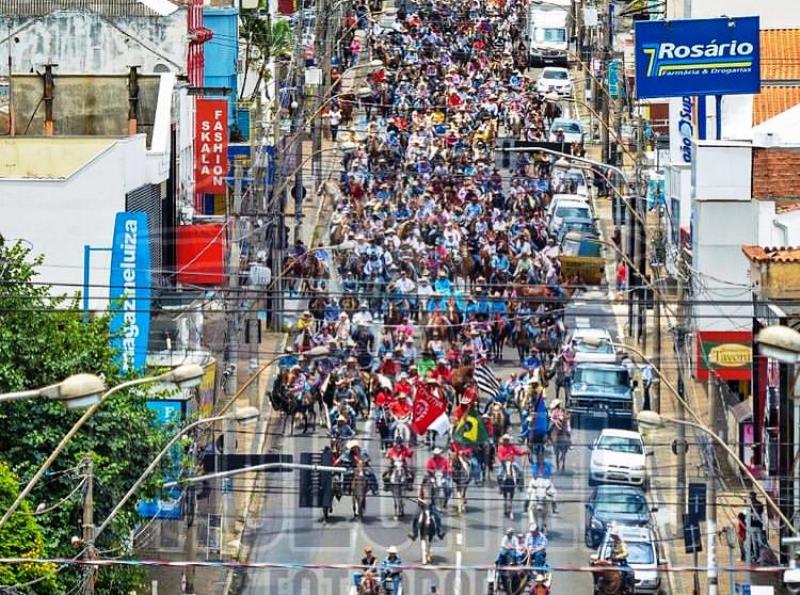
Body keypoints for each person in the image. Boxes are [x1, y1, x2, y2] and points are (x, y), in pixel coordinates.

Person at [606, 528, 634, 593]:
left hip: (620, 562)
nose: (614, 538)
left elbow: (626, 553)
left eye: (615, 536)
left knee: (625, 573)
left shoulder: (622, 544)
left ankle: (625, 587)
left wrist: (618, 556)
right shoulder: (613, 543)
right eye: (613, 536)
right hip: (612, 561)